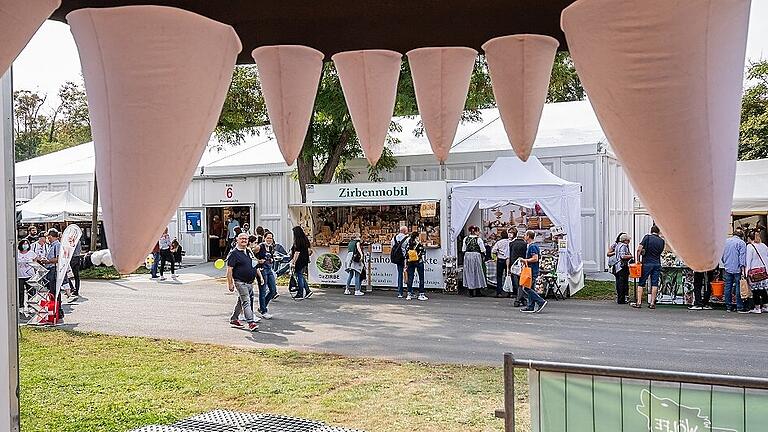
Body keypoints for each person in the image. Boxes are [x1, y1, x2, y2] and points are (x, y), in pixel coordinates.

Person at [227, 232, 259, 332]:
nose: (244, 240)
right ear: (237, 240)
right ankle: (251, 322)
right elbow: (229, 270)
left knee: (241, 301)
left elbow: (254, 264)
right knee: (246, 302)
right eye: (242, 239)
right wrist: (230, 284)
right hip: (240, 282)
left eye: (246, 239)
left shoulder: (248, 251)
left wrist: (260, 278)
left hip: (250, 282)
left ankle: (234, 318)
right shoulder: (234, 253)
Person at [633, 225, 665, 309]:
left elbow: (639, 249)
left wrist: (638, 260)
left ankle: (639, 302)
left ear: (651, 231)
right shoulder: (662, 241)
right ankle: (652, 303)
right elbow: (660, 252)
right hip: (657, 263)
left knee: (641, 282)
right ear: (658, 232)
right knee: (655, 283)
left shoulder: (647, 237)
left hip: (647, 263)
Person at [38, 229, 63, 320]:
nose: (47, 238)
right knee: (51, 291)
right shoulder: (51, 245)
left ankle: (57, 310)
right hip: (50, 269)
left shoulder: (57, 245)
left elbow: (58, 258)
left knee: (54, 291)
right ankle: (53, 310)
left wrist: (47, 261)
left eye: (47, 236)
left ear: (50, 236)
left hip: (54, 269)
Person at [520, 230, 548, 313]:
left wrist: (525, 260)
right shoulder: (531, 246)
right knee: (530, 287)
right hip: (531, 269)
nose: (524, 237)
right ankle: (530, 306)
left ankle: (540, 301)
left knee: (526, 288)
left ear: (528, 236)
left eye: (525, 235)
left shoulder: (532, 246)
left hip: (532, 270)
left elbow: (535, 258)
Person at [721, 228, 747, 313]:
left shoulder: (725, 241)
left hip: (727, 267)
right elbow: (742, 257)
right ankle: (739, 306)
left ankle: (728, 306)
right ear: (741, 236)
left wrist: (725, 263)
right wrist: (743, 269)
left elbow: (722, 255)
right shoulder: (741, 243)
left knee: (728, 286)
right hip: (738, 268)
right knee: (738, 287)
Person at [256, 232, 278, 319]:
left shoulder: (271, 247)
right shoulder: (260, 246)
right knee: (263, 291)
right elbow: (252, 255)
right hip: (262, 270)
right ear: (264, 238)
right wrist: (258, 261)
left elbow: (270, 257)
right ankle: (264, 311)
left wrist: (273, 259)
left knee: (273, 290)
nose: (269, 240)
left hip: (269, 270)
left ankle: (262, 307)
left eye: (271, 238)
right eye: (268, 238)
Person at [746, 231, 768, 314]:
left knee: (755, 290)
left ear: (750, 237)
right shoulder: (764, 246)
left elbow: (748, 260)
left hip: (754, 270)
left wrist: (746, 272)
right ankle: (766, 306)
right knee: (763, 289)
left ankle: (757, 307)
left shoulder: (750, 246)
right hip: (763, 270)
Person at [462, 225, 486, 297]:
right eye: (478, 231)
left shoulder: (466, 238)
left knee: (469, 272)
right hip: (476, 255)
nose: (479, 232)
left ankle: (470, 291)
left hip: (467, 256)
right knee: (477, 272)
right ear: (475, 232)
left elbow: (463, 249)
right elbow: (483, 249)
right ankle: (478, 290)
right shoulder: (479, 240)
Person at [609, 233, 633, 304]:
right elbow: (622, 256)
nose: (629, 242)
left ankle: (620, 298)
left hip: (617, 266)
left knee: (619, 282)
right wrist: (630, 256)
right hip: (622, 266)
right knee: (623, 283)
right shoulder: (624, 246)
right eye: (628, 240)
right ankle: (622, 299)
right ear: (625, 240)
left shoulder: (617, 245)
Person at [290, 226, 313, 299]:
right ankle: (307, 290)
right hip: (305, 259)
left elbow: (297, 252)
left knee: (299, 276)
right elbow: (309, 250)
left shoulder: (297, 240)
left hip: (299, 260)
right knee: (301, 275)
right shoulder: (305, 239)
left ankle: (300, 293)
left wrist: (293, 262)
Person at [508, 228, 528, 307]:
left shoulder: (512, 244)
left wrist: (509, 266)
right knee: (522, 283)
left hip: (514, 264)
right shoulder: (525, 244)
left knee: (516, 282)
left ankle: (518, 299)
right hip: (522, 264)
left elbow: (510, 255)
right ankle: (522, 299)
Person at [405, 231, 428, 301]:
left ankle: (409, 294)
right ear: (417, 236)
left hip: (410, 262)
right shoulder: (419, 244)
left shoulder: (408, 243)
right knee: (421, 278)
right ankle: (421, 294)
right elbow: (423, 252)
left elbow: (406, 252)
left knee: (410, 277)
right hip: (419, 261)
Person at [17, 239, 36, 310]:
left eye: (26, 243)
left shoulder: (31, 253)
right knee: (20, 292)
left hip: (30, 275)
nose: (25, 245)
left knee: (31, 291)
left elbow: (35, 260)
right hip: (20, 275)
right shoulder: (17, 253)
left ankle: (30, 307)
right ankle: (21, 306)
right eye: (24, 244)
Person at [491, 230, 511, 298]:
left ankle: (499, 292)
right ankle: (509, 292)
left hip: (500, 260)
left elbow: (493, 250)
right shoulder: (510, 242)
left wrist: (498, 253)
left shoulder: (499, 242)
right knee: (508, 275)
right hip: (508, 260)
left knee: (499, 276)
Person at [391, 226, 409, 298]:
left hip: (398, 258)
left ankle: (400, 292)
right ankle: (409, 291)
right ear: (404, 231)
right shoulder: (407, 238)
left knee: (400, 274)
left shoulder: (394, 237)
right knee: (408, 274)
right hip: (405, 258)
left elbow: (392, 246)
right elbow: (408, 247)